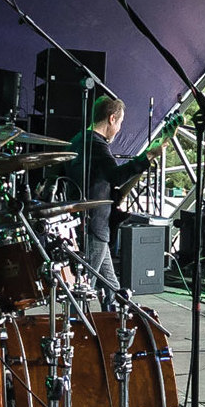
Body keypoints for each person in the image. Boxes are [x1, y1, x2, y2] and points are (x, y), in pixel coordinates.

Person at [66, 95, 153, 295]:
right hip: (94, 224)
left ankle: (118, 316)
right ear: (112, 118)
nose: (119, 128)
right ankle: (76, 323)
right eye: (120, 122)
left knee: (112, 286)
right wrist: (148, 156)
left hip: (85, 222)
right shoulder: (97, 144)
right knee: (83, 289)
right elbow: (116, 176)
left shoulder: (78, 140)